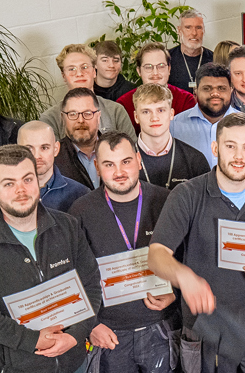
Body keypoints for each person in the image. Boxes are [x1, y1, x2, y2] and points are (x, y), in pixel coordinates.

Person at [148, 113, 245, 373]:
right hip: (207, 331)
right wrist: (184, 277)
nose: (239, 156)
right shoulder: (187, 195)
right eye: (230, 146)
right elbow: (157, 254)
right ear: (215, 148)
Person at [0, 144, 104, 373]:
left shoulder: (68, 227)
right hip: (16, 366)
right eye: (9, 184)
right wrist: (32, 340)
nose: (21, 190)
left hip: (74, 362)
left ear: (38, 182)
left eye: (27, 179)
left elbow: (91, 285)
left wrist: (75, 335)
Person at [67, 132, 179, 373]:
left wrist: (176, 294)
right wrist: (91, 325)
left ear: (139, 160)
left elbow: (189, 257)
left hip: (161, 328)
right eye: (109, 164)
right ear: (97, 167)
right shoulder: (80, 211)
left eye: (126, 161)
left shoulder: (167, 202)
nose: (119, 171)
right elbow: (70, 275)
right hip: (108, 333)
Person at [40, 43, 136, 139]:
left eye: (84, 67)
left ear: (94, 71)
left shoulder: (115, 111)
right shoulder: (50, 119)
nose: (79, 73)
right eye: (71, 69)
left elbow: (132, 150)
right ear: (64, 76)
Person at [132, 83, 212, 191]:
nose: (154, 118)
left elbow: (205, 205)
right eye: (146, 112)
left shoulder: (195, 160)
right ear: (136, 117)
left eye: (161, 110)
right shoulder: (122, 161)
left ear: (171, 114)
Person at [170, 62, 245, 167]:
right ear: (195, 91)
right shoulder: (174, 126)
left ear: (231, 90)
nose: (215, 93)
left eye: (221, 88)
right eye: (207, 88)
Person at [118, 42, 200, 131]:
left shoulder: (186, 101)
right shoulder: (124, 104)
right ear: (139, 71)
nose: (155, 73)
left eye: (161, 66)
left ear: (169, 69)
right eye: (148, 67)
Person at [18, 120, 91, 212]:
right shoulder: (3, 193)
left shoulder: (80, 194)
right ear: (17, 150)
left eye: (44, 148)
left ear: (56, 149)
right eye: (29, 148)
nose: (37, 156)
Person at [52, 87, 103, 189]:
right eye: (73, 114)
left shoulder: (116, 151)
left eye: (87, 113)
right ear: (63, 118)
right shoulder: (53, 159)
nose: (80, 120)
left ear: (98, 116)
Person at [167, 9, 214, 92]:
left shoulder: (214, 59)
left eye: (198, 28)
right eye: (188, 28)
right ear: (179, 30)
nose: (194, 33)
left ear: (204, 31)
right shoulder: (167, 58)